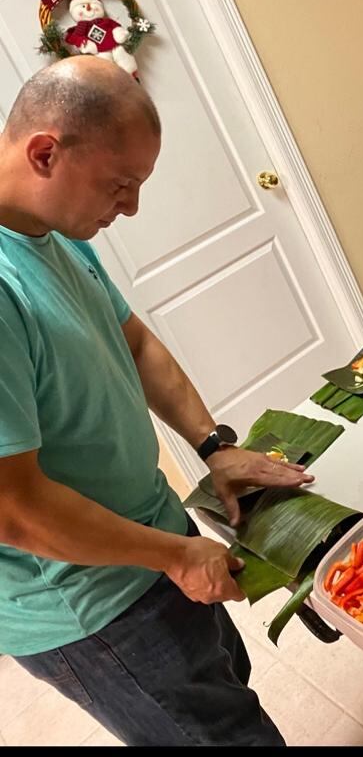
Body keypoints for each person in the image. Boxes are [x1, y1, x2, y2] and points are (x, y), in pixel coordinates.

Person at [0, 56, 314, 746]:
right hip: (90, 603)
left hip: (153, 535)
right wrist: (173, 557)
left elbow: (135, 343)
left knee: (228, 692)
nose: (131, 208)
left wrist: (213, 446)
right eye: (120, 185)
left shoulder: (53, 232)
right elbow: (13, 510)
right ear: (45, 153)